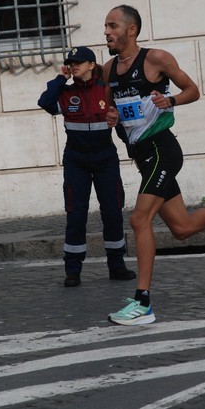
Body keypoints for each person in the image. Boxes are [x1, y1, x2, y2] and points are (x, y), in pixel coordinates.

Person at [103, 5, 205, 325]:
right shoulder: (108, 69)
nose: (106, 32)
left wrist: (172, 100)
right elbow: (112, 109)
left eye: (112, 26)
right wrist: (111, 116)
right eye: (105, 27)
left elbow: (193, 90)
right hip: (143, 157)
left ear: (131, 30)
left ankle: (143, 303)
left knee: (139, 220)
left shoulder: (156, 59)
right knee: (182, 228)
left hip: (163, 151)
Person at [38, 46, 136, 287]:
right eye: (70, 63)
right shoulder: (65, 93)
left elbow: (123, 121)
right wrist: (61, 78)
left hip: (105, 160)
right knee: (76, 214)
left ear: (92, 65)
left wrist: (134, 148)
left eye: (78, 62)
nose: (73, 66)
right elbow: (45, 101)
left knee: (112, 211)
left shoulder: (107, 90)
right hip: (76, 161)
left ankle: (117, 265)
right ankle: (73, 270)